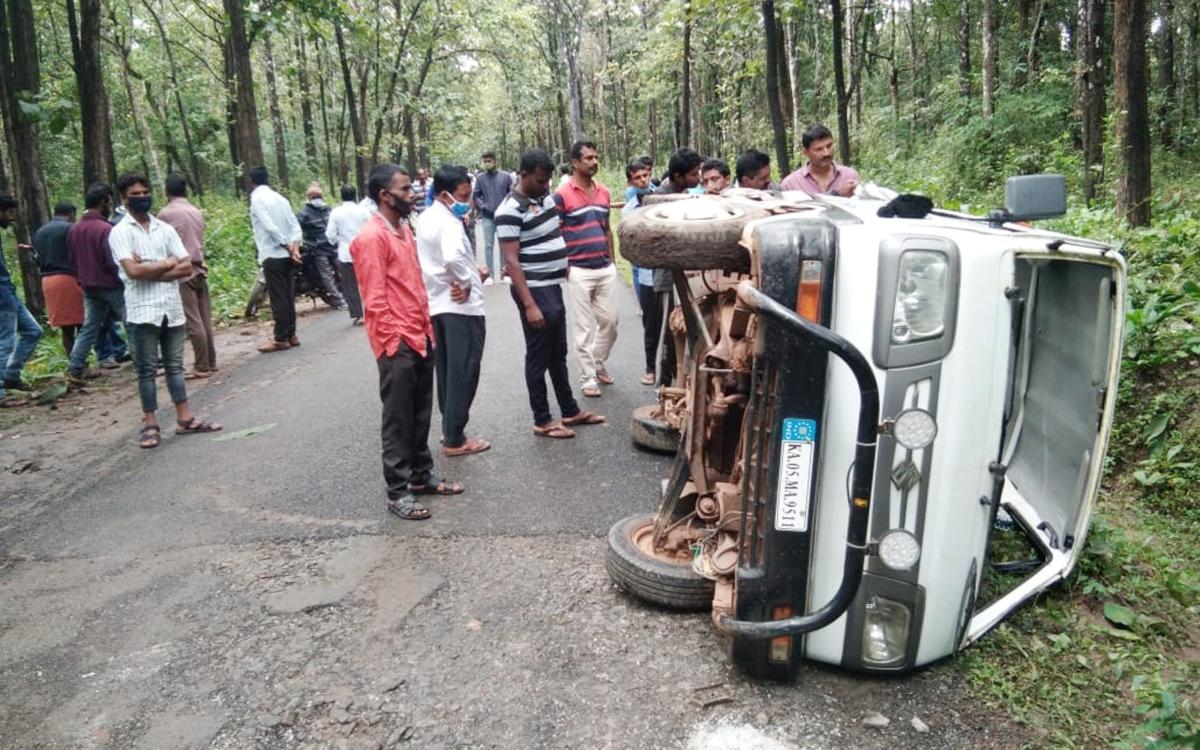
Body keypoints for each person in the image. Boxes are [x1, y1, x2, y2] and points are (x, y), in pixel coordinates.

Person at [350, 163, 464, 521]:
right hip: (397, 340)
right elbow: (375, 297)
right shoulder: (371, 238)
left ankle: (420, 476)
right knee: (398, 418)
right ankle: (397, 491)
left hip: (420, 333)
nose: (412, 194)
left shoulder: (403, 231)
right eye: (404, 189)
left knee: (420, 412)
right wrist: (391, 343)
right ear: (385, 196)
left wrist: (424, 328)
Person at [496, 148, 604, 439]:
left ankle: (569, 410)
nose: (546, 187)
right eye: (540, 181)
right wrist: (529, 304)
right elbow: (512, 260)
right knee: (539, 354)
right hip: (534, 290)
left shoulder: (542, 198)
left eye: (547, 182)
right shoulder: (508, 210)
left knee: (558, 351)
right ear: (523, 174)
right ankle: (542, 419)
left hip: (552, 286)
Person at [108, 173, 221, 448]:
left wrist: (151, 266)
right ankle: (151, 424)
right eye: (135, 193)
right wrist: (166, 264)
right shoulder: (120, 232)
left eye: (145, 191)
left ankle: (185, 418)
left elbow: (186, 265)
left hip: (171, 308)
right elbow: (132, 271)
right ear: (124, 197)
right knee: (146, 370)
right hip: (142, 311)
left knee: (174, 366)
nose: (142, 197)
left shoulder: (164, 228)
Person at [417, 165, 490, 458]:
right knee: (464, 370)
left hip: (438, 304)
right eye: (464, 194)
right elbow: (451, 256)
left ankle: (450, 426)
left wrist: (472, 271)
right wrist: (466, 281)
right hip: (460, 308)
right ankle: (455, 438)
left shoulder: (426, 218)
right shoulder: (448, 222)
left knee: (448, 371)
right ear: (445, 194)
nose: (468, 199)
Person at [555, 139, 618, 398]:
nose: (594, 162)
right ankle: (588, 378)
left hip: (605, 268)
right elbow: (557, 233)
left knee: (611, 323)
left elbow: (606, 228)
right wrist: (565, 265)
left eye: (595, 157)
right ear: (575, 163)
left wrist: (612, 260)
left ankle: (597, 360)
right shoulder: (562, 195)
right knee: (582, 328)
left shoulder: (604, 192)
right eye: (589, 158)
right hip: (578, 269)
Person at [649, 148, 704, 386]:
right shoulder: (658, 199)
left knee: (685, 330)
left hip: (689, 275)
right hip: (666, 278)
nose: (698, 178)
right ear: (678, 176)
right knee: (667, 334)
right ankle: (662, 387)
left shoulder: (690, 195)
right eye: (694, 174)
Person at [66, 182, 129, 385]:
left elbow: (72, 258)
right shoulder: (105, 229)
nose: (110, 206)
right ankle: (146, 360)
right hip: (110, 284)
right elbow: (111, 259)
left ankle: (75, 367)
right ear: (103, 202)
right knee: (131, 321)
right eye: (109, 202)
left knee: (89, 327)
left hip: (88, 286)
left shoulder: (75, 229)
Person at [157, 174, 217, 378]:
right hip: (200, 267)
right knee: (204, 317)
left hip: (183, 271)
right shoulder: (196, 211)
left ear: (167, 191)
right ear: (186, 190)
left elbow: (160, 245)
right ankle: (211, 361)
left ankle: (201, 365)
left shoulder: (165, 214)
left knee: (193, 320)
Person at [247, 166, 303, 353]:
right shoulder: (281, 198)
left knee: (278, 298)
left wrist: (285, 245)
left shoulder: (256, 198)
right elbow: (295, 225)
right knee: (288, 295)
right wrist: (294, 248)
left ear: (252, 181)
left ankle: (280, 338)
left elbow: (269, 227)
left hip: (272, 253)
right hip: (288, 255)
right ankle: (291, 334)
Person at [0, 192, 43, 406]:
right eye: (8, 212)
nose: (10, 217)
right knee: (4, 344)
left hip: (9, 294)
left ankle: (10, 376)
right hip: (2, 299)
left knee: (34, 331)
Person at [623, 161, 657, 386]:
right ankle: (651, 367)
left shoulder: (664, 198)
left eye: (646, 176)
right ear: (630, 182)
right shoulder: (628, 211)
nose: (643, 181)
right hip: (644, 273)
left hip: (668, 273)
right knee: (650, 320)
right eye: (638, 178)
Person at [34, 202, 83, 356]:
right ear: (70, 214)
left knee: (66, 329)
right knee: (83, 324)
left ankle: (74, 364)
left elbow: (37, 258)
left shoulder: (40, 232)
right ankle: (80, 364)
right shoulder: (70, 229)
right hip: (68, 278)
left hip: (48, 281)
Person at [296, 182, 347, 310]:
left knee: (342, 271)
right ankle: (339, 301)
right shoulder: (304, 214)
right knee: (326, 276)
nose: (316, 199)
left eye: (318, 196)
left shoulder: (329, 210)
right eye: (314, 197)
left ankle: (349, 296)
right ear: (309, 199)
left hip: (333, 246)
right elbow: (295, 228)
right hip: (318, 250)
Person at [325, 184, 371, 325]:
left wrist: (337, 241)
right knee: (368, 283)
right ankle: (372, 311)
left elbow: (330, 234)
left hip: (345, 252)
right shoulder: (363, 211)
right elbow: (372, 229)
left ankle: (358, 314)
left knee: (350, 285)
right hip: (364, 251)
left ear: (341, 196)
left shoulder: (336, 212)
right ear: (355, 195)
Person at [780, 123, 860, 196]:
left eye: (829, 146)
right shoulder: (791, 185)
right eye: (819, 149)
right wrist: (839, 195)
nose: (827, 153)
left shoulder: (849, 176)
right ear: (805, 152)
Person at [472, 150, 513, 285]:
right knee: (488, 245)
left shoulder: (505, 177)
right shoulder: (480, 178)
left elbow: (511, 193)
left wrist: (506, 207)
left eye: (489, 160)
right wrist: (483, 206)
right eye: (485, 161)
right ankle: (489, 275)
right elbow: (476, 195)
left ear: (495, 161)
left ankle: (504, 273)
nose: (487, 163)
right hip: (487, 216)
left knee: (503, 245)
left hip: (503, 216)